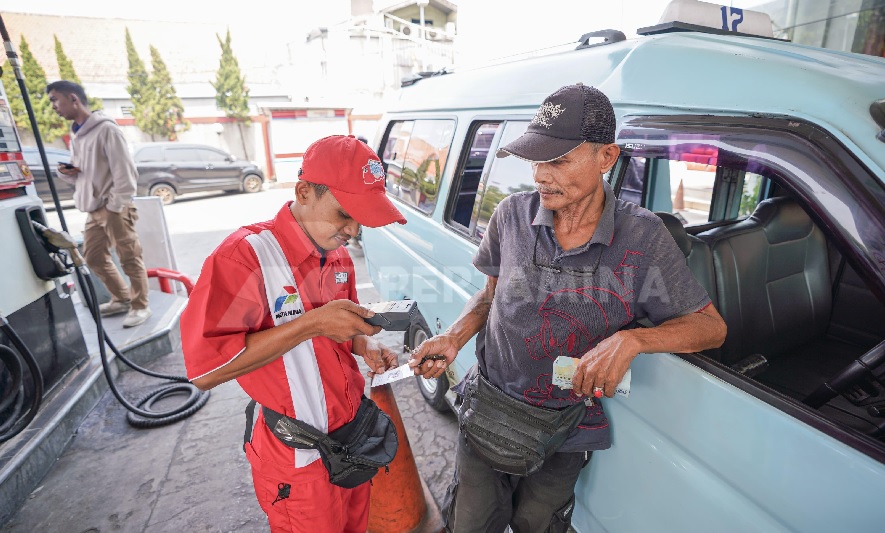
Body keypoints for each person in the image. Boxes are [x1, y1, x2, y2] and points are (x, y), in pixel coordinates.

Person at [410, 84, 727, 532]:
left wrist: (634, 339)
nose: (540, 175)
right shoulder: (511, 215)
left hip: (565, 430)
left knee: (537, 524)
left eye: (558, 160)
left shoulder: (644, 238)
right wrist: (454, 336)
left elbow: (710, 328)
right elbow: (490, 295)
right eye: (536, 159)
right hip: (488, 409)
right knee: (470, 522)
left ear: (607, 157)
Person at [180, 135, 405, 532]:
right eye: (344, 214)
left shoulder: (335, 254)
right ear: (304, 192)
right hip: (298, 460)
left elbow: (342, 327)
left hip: (352, 441)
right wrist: (312, 323)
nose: (353, 230)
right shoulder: (245, 257)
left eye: (361, 219)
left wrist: (363, 342)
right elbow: (205, 372)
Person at [47, 80, 152, 328]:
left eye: (55, 100)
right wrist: (67, 172)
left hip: (114, 206)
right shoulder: (78, 134)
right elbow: (83, 173)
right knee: (93, 257)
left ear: (73, 98)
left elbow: (126, 174)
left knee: (129, 257)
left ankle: (140, 306)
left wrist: (115, 206)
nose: (53, 106)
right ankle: (122, 298)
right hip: (93, 208)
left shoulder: (106, 129)